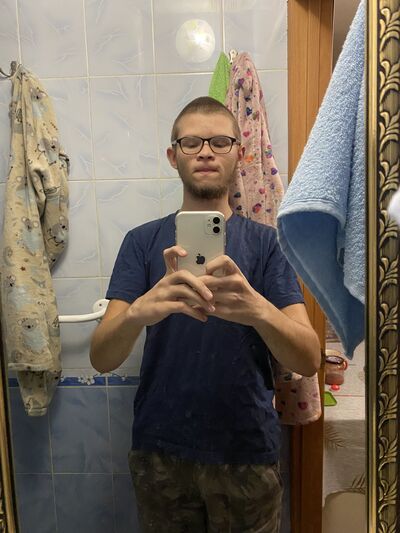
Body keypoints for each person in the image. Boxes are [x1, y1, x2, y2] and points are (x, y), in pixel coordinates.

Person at [90, 96, 321, 533]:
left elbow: (308, 359)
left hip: (247, 451)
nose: (206, 152)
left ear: (240, 154)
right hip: (160, 452)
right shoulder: (141, 242)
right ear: (172, 155)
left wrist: (257, 309)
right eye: (192, 142)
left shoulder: (268, 245)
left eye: (220, 141)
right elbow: (102, 358)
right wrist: (139, 312)